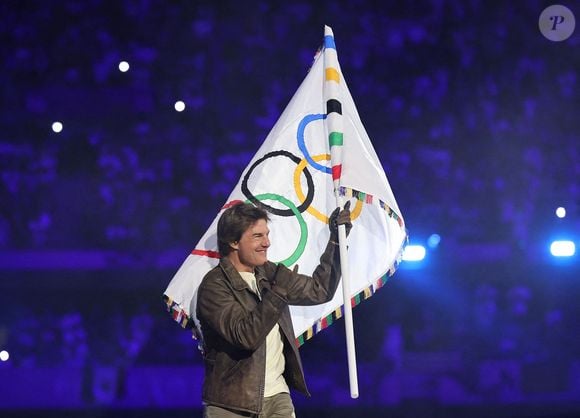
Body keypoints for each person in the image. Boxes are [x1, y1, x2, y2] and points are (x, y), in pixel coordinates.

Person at [195, 201, 352, 417]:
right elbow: (245, 336)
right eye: (257, 236)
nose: (267, 243)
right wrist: (277, 295)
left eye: (267, 234)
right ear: (233, 241)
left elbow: (320, 290)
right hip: (231, 405)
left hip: (278, 397)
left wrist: (336, 240)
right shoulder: (214, 287)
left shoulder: (268, 272)